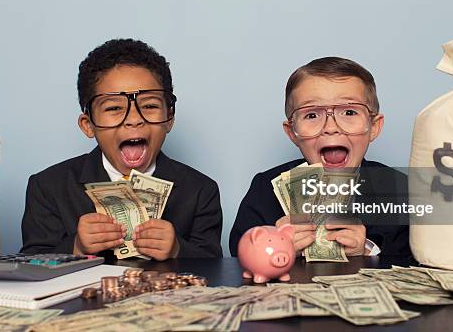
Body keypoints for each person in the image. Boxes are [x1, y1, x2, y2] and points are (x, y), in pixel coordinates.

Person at [21, 39, 222, 260]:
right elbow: (33, 260)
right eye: (114, 107)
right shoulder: (49, 188)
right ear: (88, 125)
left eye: (149, 106)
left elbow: (215, 266)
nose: (134, 119)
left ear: (169, 118)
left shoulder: (201, 190)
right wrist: (76, 246)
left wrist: (177, 250)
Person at [229, 57, 410, 258]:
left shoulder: (400, 189)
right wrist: (273, 246)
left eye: (349, 112)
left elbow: (414, 258)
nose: (331, 128)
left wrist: (367, 250)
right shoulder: (265, 188)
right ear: (292, 132)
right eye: (312, 115)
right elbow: (238, 252)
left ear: (374, 127)